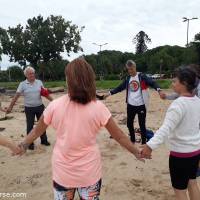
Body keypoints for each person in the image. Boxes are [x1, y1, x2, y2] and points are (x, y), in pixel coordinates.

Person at [16, 58, 145, 200]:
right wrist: (136, 152)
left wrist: (24, 144)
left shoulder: (55, 106)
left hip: (63, 172)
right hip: (89, 173)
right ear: (89, 80)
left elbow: (36, 130)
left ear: (68, 80)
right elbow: (119, 135)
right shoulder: (98, 107)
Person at [141, 66, 200, 200]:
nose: (171, 84)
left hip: (180, 156)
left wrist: (149, 146)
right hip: (195, 152)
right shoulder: (198, 101)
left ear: (184, 83)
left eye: (174, 81)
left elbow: (165, 129)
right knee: (192, 182)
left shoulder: (178, 104)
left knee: (180, 191)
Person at [104, 60, 165, 144]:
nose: (130, 71)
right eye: (128, 69)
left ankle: (144, 142)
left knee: (142, 124)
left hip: (141, 105)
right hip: (130, 105)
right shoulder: (128, 78)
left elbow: (152, 82)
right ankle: (132, 140)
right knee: (129, 124)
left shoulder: (142, 76)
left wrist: (159, 90)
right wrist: (109, 93)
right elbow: (120, 87)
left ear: (135, 67)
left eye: (131, 69)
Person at [5, 66, 52, 150]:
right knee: (30, 126)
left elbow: (45, 93)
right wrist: (10, 108)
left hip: (40, 107)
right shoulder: (22, 84)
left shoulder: (39, 82)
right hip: (29, 108)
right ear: (26, 75)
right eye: (30, 73)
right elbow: (16, 97)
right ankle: (30, 143)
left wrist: (54, 101)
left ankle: (44, 140)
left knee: (42, 125)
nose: (32, 75)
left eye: (33, 73)